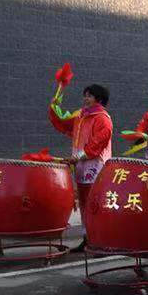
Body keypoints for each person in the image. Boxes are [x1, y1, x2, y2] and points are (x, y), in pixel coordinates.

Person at [49, 83, 113, 248]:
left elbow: (97, 143)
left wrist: (78, 157)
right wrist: (54, 105)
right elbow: (62, 123)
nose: (85, 99)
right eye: (85, 95)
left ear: (98, 99)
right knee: (85, 202)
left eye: (89, 96)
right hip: (81, 166)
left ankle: (101, 237)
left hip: (96, 166)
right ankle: (88, 238)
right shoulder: (80, 116)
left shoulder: (102, 118)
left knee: (95, 203)